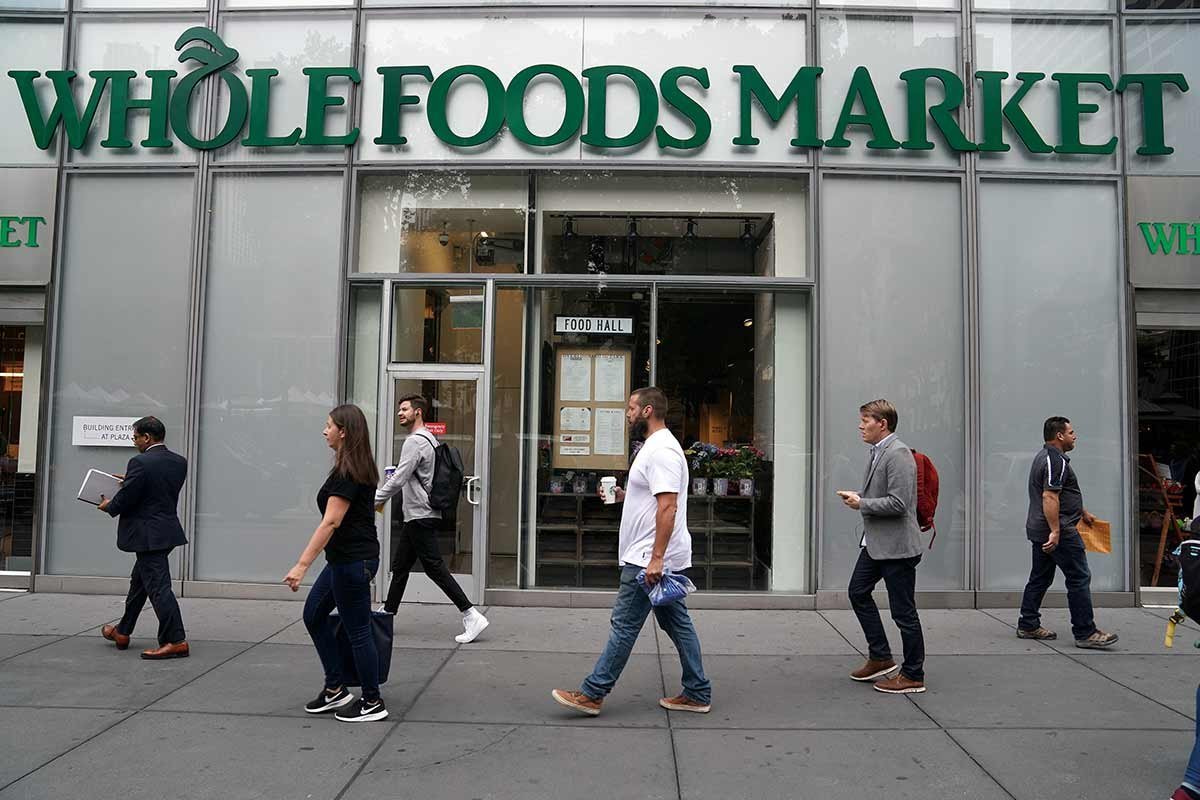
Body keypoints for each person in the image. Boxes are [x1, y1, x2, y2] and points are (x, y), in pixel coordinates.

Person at [552, 387, 712, 716]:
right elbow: (656, 498)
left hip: (646, 559)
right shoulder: (655, 447)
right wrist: (624, 495)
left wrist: (656, 559)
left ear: (647, 411)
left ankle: (593, 693)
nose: (627, 414)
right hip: (651, 556)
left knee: (624, 625)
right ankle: (697, 691)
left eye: (631, 408)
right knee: (677, 624)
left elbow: (668, 507)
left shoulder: (662, 451)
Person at [284, 404, 388, 723]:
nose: (324, 431)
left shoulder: (348, 472)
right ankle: (335, 689)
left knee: (358, 631)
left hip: (352, 562)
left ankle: (372, 701)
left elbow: (331, 522)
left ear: (343, 432)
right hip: (345, 560)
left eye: (329, 425)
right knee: (314, 614)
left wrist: (301, 565)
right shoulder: (351, 466)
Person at [375, 393, 488, 645]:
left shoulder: (415, 441)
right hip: (420, 514)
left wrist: (375, 500)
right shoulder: (430, 438)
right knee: (401, 566)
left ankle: (471, 614)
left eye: (405, 409)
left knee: (434, 567)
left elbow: (400, 478)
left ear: (418, 412)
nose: (400, 413)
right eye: (399, 409)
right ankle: (387, 613)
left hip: (420, 514)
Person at [838, 399, 927, 695]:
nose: (860, 426)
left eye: (866, 420)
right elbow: (884, 494)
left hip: (897, 547)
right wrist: (860, 496)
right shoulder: (879, 451)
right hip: (878, 543)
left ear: (883, 424)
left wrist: (862, 503)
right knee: (858, 591)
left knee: (903, 612)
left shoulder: (898, 453)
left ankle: (913, 674)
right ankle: (881, 657)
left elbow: (899, 504)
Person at [1016, 416, 1118, 649]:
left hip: (1042, 528)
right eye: (1071, 432)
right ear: (1059, 435)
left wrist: (1083, 512)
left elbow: (1060, 493)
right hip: (1059, 530)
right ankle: (1085, 632)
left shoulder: (1045, 457)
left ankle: (1028, 624)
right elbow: (1049, 496)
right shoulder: (1055, 460)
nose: (1075, 436)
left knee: (1040, 577)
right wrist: (1056, 531)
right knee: (1079, 576)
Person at [97, 416, 189, 660]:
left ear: (147, 437)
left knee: (159, 588)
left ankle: (175, 641)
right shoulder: (179, 461)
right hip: (166, 531)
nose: (134, 441)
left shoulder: (139, 462)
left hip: (147, 536)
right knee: (139, 583)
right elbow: (157, 489)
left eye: (135, 437)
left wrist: (109, 506)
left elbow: (127, 499)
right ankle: (122, 632)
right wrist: (130, 481)